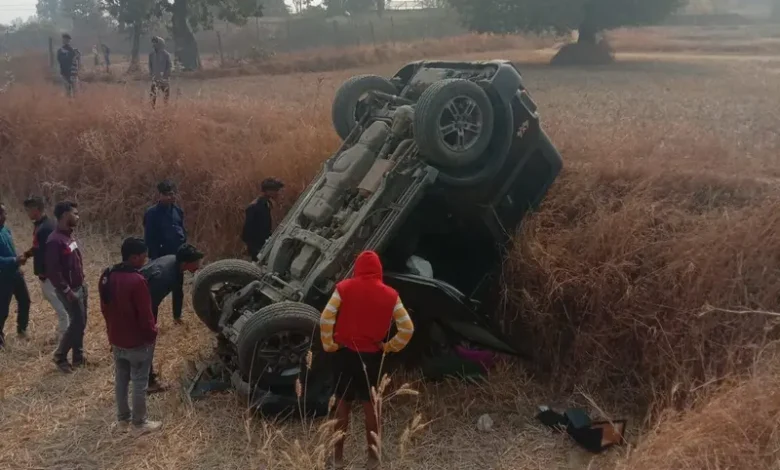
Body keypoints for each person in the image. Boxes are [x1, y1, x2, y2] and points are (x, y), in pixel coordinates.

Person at [319, 250, 415, 470]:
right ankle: (373, 459)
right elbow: (407, 328)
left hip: (344, 353)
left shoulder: (344, 288)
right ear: (379, 269)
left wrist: (329, 344)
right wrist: (389, 346)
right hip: (371, 357)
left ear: (358, 268)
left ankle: (337, 459)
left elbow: (325, 318)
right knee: (370, 406)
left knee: (342, 403)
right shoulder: (391, 295)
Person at [99, 237, 161, 435]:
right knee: (140, 382)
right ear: (134, 257)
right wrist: (152, 333)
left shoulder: (107, 275)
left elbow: (104, 308)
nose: (145, 259)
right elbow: (145, 314)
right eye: (143, 256)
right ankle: (139, 423)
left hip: (117, 338)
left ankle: (123, 419)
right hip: (137, 341)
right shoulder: (137, 281)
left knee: (121, 379)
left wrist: (110, 332)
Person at [140, 243, 204, 392]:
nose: (199, 265)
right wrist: (150, 324)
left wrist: (177, 316)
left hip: (143, 300)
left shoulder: (175, 263)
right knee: (146, 341)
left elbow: (178, 292)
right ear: (185, 263)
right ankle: (148, 382)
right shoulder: (164, 276)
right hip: (137, 302)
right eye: (196, 262)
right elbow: (148, 303)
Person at [46, 201, 87, 373]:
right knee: (77, 323)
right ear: (64, 215)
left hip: (79, 285)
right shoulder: (54, 241)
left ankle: (78, 358)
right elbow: (53, 271)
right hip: (69, 290)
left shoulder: (68, 235)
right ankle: (60, 356)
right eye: (74, 213)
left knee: (81, 323)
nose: (78, 216)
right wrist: (66, 290)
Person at [23, 196, 69, 343]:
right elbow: (38, 248)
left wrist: (45, 273)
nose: (27, 213)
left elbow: (50, 253)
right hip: (49, 274)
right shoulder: (42, 225)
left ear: (36, 210)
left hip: (50, 275)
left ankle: (64, 339)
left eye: (28, 210)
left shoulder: (46, 228)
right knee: (55, 301)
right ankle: (62, 333)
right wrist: (26, 255)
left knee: (61, 307)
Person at [0, 202, 31, 348]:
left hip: (15, 273)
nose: (5, 216)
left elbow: (11, 250)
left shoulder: (6, 230)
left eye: (4, 213)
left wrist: (17, 264)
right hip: (3, 276)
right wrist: (14, 260)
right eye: (2, 213)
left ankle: (22, 330)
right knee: (2, 309)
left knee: (25, 300)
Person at [242, 178, 285, 261]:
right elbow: (247, 229)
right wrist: (251, 246)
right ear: (268, 191)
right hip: (257, 244)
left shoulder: (266, 204)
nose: (277, 193)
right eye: (275, 190)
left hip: (263, 242)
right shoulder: (255, 206)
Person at [143, 180, 186, 261]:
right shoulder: (152, 213)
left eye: (172, 194)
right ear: (160, 195)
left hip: (176, 254)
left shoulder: (178, 211)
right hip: (160, 256)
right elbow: (149, 238)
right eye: (166, 195)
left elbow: (182, 231)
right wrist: (154, 258)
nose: (169, 197)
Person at [148, 36, 172, 108]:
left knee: (166, 94)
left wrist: (166, 76)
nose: (154, 44)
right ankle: (152, 108)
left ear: (160, 44)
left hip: (164, 79)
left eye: (156, 42)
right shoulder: (151, 54)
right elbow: (150, 65)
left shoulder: (166, 55)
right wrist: (151, 74)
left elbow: (169, 66)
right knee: (152, 94)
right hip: (155, 78)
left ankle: (166, 108)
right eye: (153, 42)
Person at [57, 33, 80, 98]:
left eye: (67, 39)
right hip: (64, 73)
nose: (65, 41)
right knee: (67, 91)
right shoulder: (60, 50)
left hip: (73, 73)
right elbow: (60, 60)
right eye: (64, 39)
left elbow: (77, 61)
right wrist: (70, 56)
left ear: (69, 40)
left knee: (75, 91)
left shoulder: (73, 50)